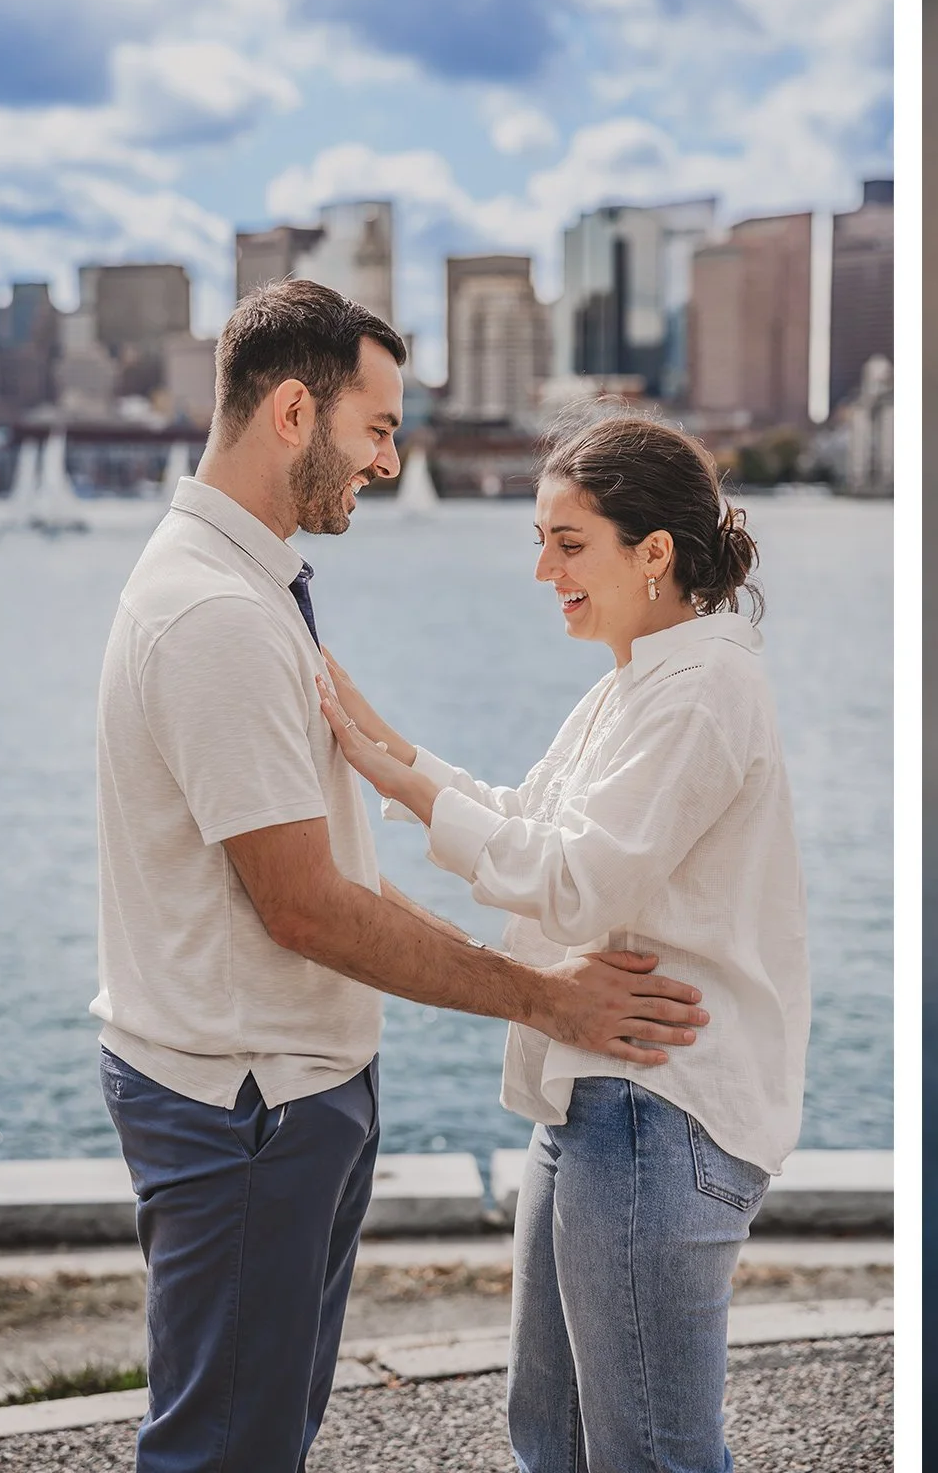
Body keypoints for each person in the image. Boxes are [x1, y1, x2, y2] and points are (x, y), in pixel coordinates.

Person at [93, 281, 705, 1473]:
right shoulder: (217, 615)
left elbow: (316, 875)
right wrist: (546, 998)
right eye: (374, 427)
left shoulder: (243, 588)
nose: (386, 459)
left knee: (257, 1434)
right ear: (291, 413)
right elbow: (303, 905)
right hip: (247, 1106)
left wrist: (409, 776)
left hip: (269, 1091)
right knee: (224, 1450)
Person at [317, 409, 809, 1473]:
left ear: (654, 552)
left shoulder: (702, 691)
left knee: (650, 1456)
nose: (544, 570)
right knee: (553, 1438)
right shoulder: (638, 683)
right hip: (595, 1103)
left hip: (657, 1110)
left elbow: (578, 884)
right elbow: (529, 821)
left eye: (569, 543)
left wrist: (407, 785)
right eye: (540, 541)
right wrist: (381, 747)